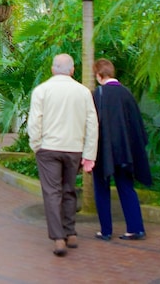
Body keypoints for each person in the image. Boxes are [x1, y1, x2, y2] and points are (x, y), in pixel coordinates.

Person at [27, 54, 99, 257]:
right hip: (74, 148)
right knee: (69, 189)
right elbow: (92, 124)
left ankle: (59, 238)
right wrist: (89, 153)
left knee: (52, 192)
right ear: (72, 70)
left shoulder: (41, 90)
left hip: (48, 148)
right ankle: (71, 232)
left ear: (52, 69)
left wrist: (36, 146)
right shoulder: (83, 92)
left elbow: (35, 121)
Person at [91, 58, 152, 241]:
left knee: (101, 189)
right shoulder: (127, 93)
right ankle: (136, 228)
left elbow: (93, 123)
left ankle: (106, 230)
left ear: (99, 75)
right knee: (126, 188)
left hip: (104, 151)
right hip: (126, 152)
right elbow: (137, 126)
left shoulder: (98, 93)